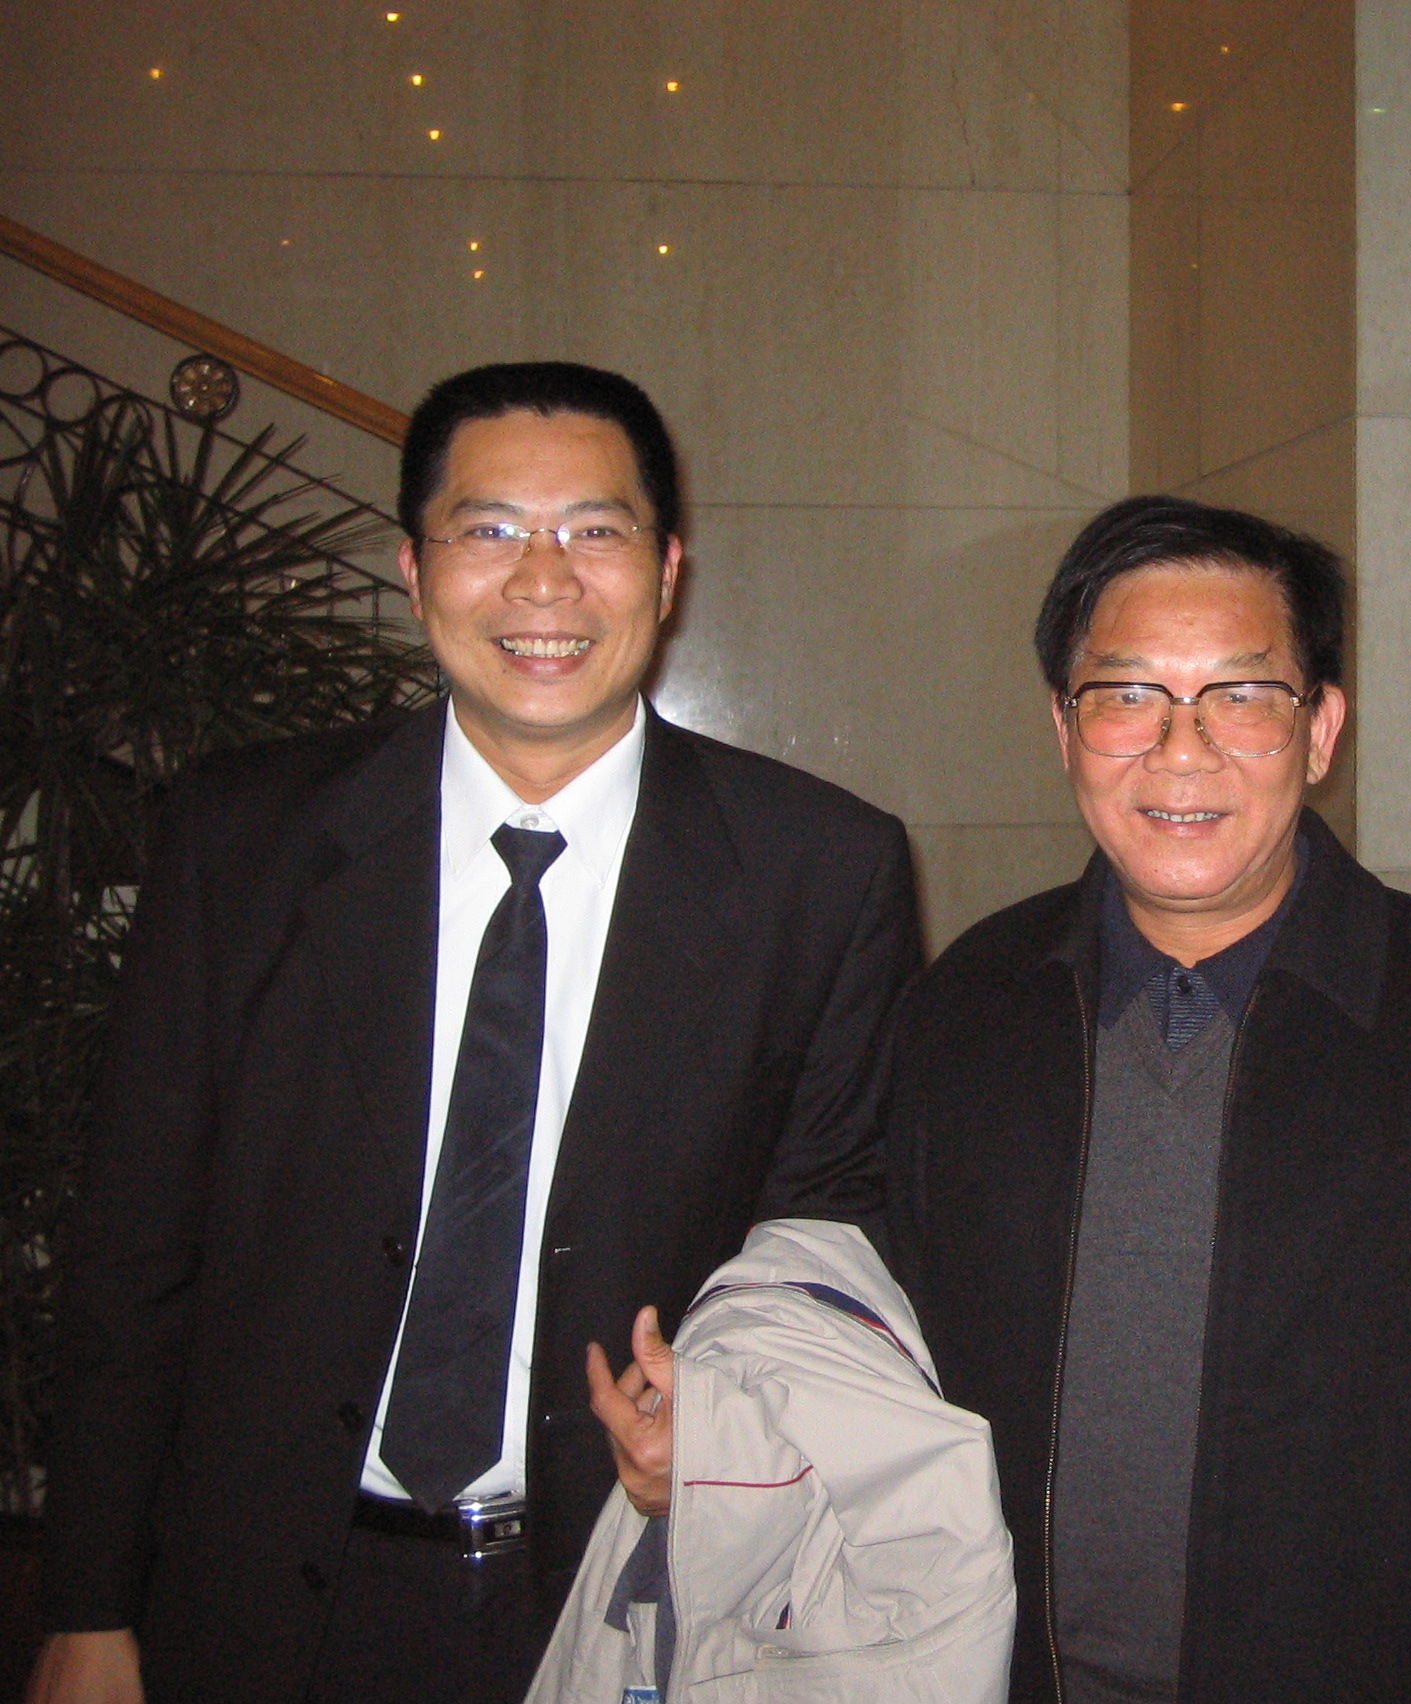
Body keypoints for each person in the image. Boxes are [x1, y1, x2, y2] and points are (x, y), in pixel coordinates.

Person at [31, 362, 920, 1704]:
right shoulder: (245, 839)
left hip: (628, 1594)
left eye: (595, 531)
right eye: (490, 529)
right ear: (414, 567)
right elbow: (134, 1240)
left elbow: (830, 1228)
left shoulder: (821, 871)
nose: (543, 582)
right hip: (262, 1591)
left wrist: (735, 1429)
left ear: (667, 572)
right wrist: (88, 1601)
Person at [882, 494, 1411, 1702]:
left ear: (1320, 729)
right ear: (1063, 728)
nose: (1180, 751)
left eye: (1241, 696)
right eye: (1126, 696)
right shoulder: (966, 1016)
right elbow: (889, 1376)